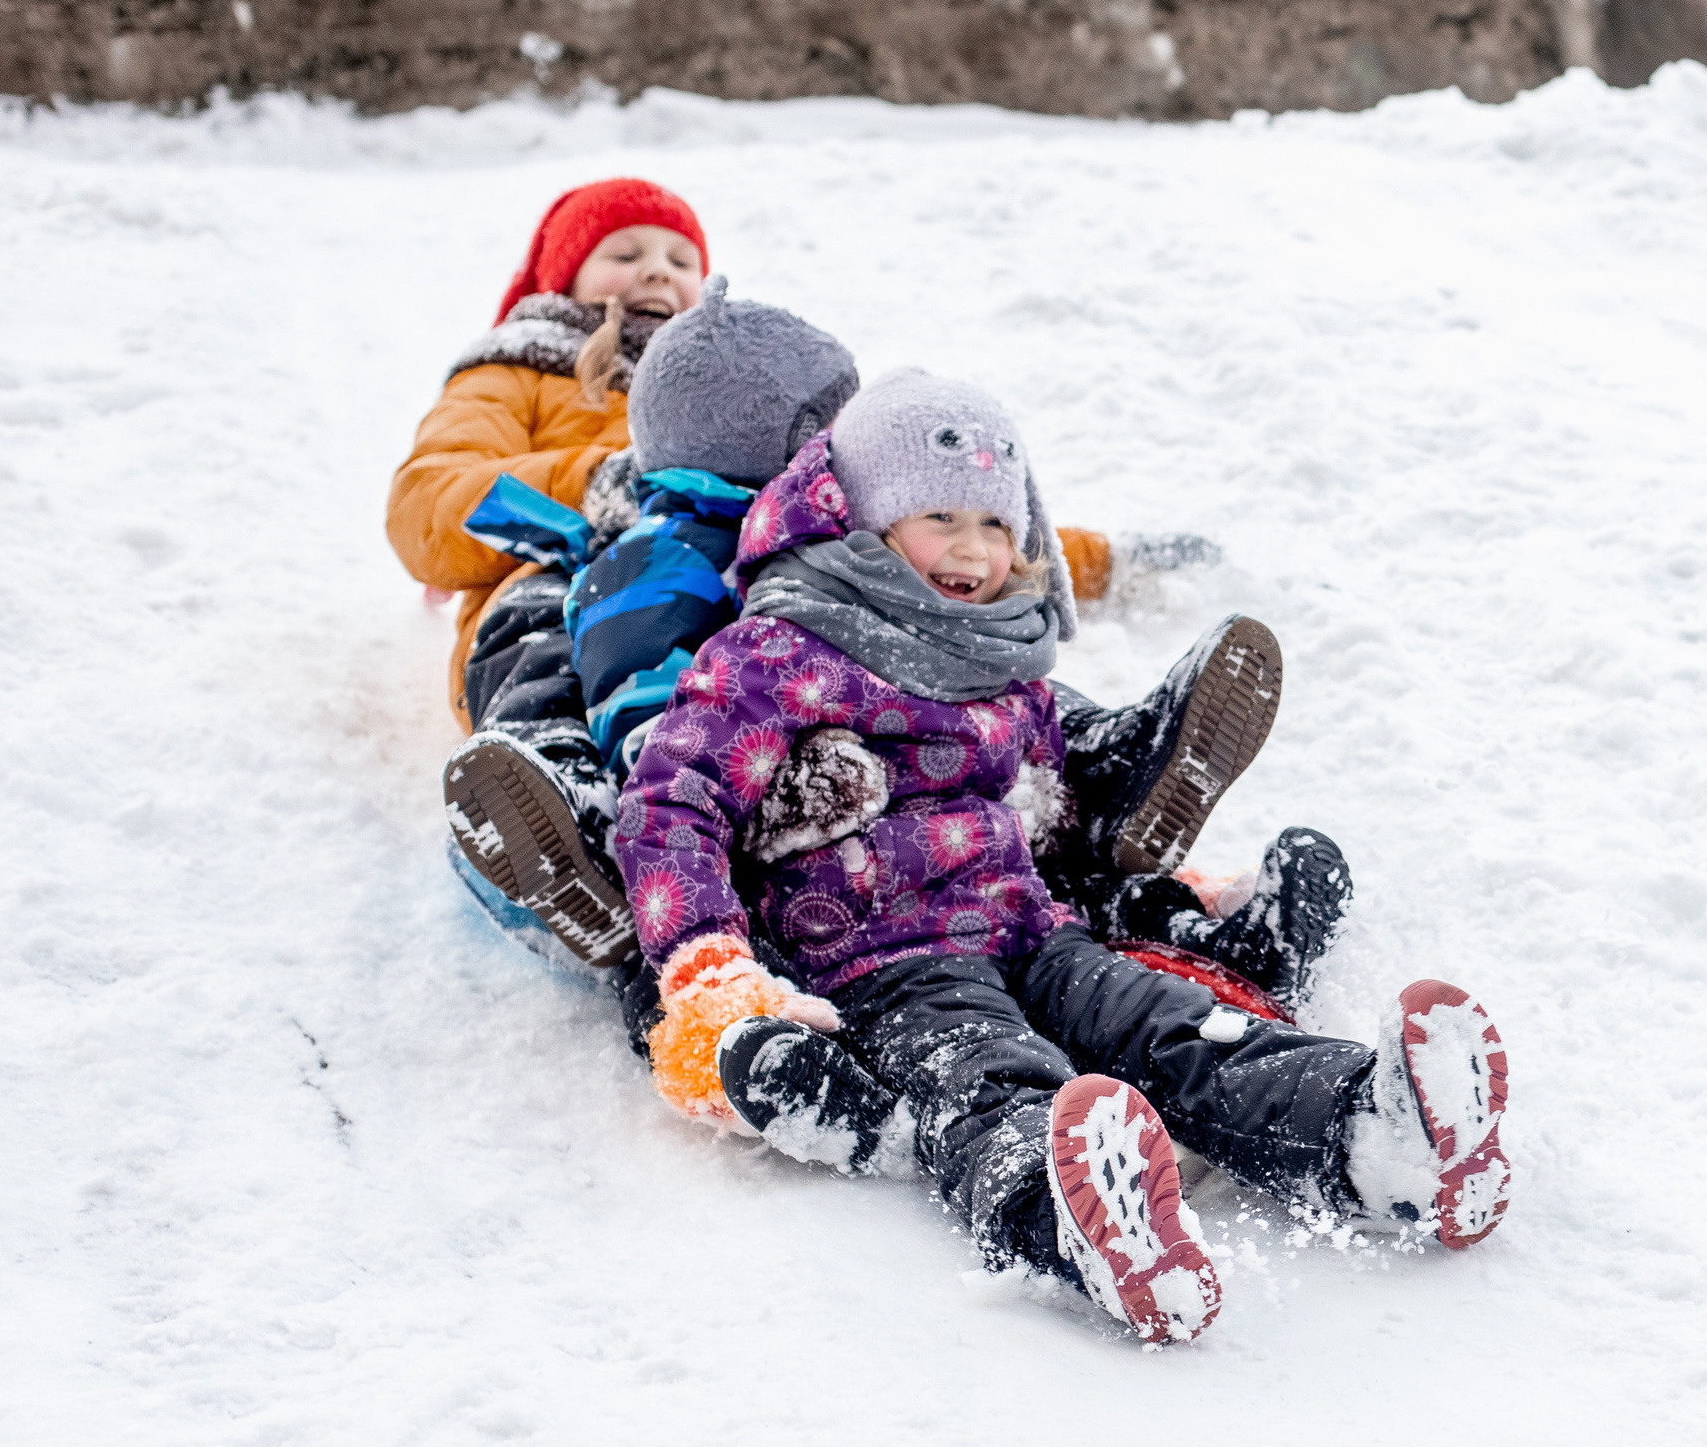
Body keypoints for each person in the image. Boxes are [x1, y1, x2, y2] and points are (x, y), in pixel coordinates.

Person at [613, 370, 1514, 1344]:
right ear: (861, 519)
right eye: (939, 515)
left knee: (1174, 1024)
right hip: (878, 968)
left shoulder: (1004, 661)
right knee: (991, 1082)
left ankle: (1368, 1136)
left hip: (1030, 930)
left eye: (997, 524)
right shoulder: (779, 654)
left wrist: (1166, 893)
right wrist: (706, 965)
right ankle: (1073, 1216)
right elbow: (672, 803)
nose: (972, 547)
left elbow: (1051, 815)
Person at [414, 222, 1351, 1018]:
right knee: (550, 666)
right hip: (557, 565)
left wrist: (1094, 555)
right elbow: (427, 501)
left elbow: (936, 511)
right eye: (623, 252)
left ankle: (1102, 767)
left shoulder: (763, 381)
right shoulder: (523, 368)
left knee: (920, 643)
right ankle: (581, 824)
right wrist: (598, 480)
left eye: (677, 253)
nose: (657, 270)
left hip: (764, 562)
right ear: (555, 277)